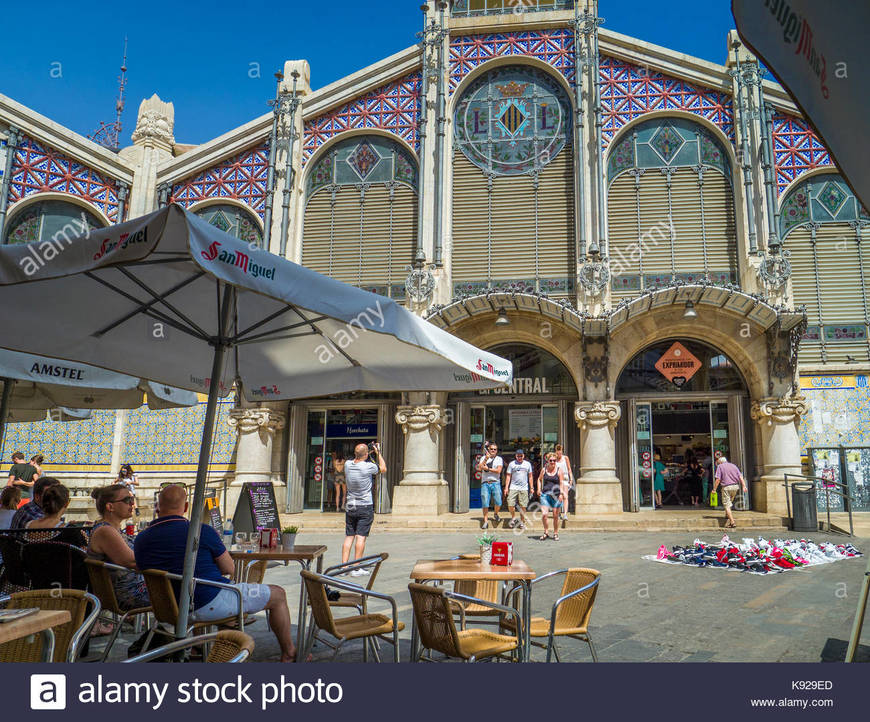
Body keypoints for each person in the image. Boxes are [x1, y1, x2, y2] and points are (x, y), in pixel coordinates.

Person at [134, 485, 297, 662]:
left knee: (196, 587)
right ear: (186, 507)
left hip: (168, 608)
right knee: (278, 594)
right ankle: (289, 652)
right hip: (207, 603)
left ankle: (198, 648)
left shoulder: (141, 539)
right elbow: (230, 569)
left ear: (157, 507)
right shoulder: (201, 531)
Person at [87, 484, 149, 610]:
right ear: (110, 507)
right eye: (127, 500)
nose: (132, 504)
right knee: (182, 593)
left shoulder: (112, 530)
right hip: (127, 594)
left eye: (132, 499)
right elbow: (134, 561)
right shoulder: (105, 531)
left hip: (131, 589)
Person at [342, 442, 385, 572]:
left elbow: (359, 457)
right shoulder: (368, 467)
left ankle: (343, 566)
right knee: (360, 537)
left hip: (351, 504)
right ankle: (357, 567)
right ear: (366, 454)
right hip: (364, 505)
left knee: (349, 536)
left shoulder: (347, 465)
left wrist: (366, 452)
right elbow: (383, 468)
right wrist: (378, 453)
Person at [536, 453, 566, 541]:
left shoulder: (559, 470)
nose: (552, 462)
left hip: (556, 495)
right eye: (551, 460)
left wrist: (561, 493)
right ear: (547, 460)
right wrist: (538, 489)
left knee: (555, 515)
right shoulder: (544, 469)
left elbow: (561, 482)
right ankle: (546, 532)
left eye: (554, 460)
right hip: (545, 495)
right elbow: (539, 479)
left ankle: (555, 533)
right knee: (544, 514)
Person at [712, 456, 747, 529]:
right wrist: (744, 486)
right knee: (729, 502)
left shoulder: (720, 467)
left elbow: (718, 479)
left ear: (720, 462)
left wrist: (714, 489)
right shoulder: (733, 466)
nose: (718, 464)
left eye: (718, 463)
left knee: (727, 504)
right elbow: (740, 476)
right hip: (735, 487)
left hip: (726, 487)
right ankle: (727, 514)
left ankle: (732, 522)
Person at [477, 442, 504, 529]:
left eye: (494, 449)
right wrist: (486, 459)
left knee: (498, 501)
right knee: (485, 502)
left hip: (495, 482)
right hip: (485, 483)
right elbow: (480, 467)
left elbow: (498, 470)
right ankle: (485, 521)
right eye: (491, 449)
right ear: (488, 450)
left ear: (496, 451)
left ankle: (496, 513)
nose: (493, 450)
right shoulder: (483, 458)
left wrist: (488, 469)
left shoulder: (499, 459)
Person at [505, 449, 533, 530]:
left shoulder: (527, 464)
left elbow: (530, 476)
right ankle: (513, 518)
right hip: (513, 487)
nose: (519, 457)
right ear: (515, 456)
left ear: (524, 456)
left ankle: (522, 521)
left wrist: (531, 487)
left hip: (524, 487)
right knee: (510, 503)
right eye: (518, 456)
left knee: (523, 506)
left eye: (521, 456)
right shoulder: (511, 464)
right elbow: (508, 476)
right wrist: (506, 487)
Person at [553, 444, 574, 520]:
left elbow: (569, 469)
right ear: (555, 452)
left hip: (565, 479)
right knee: (558, 497)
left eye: (560, 453)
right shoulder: (554, 459)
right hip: (557, 479)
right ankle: (558, 513)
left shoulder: (565, 458)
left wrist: (571, 479)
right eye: (557, 453)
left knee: (565, 496)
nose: (559, 454)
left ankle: (565, 514)